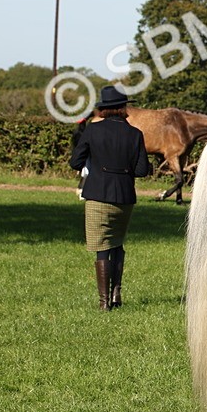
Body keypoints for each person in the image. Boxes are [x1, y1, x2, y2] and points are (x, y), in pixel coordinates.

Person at [69, 86, 152, 310]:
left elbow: (75, 162)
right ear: (123, 108)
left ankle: (104, 302)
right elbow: (142, 170)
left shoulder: (93, 131)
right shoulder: (135, 134)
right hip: (125, 196)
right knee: (117, 243)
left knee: (102, 246)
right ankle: (116, 294)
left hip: (97, 194)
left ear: (104, 109)